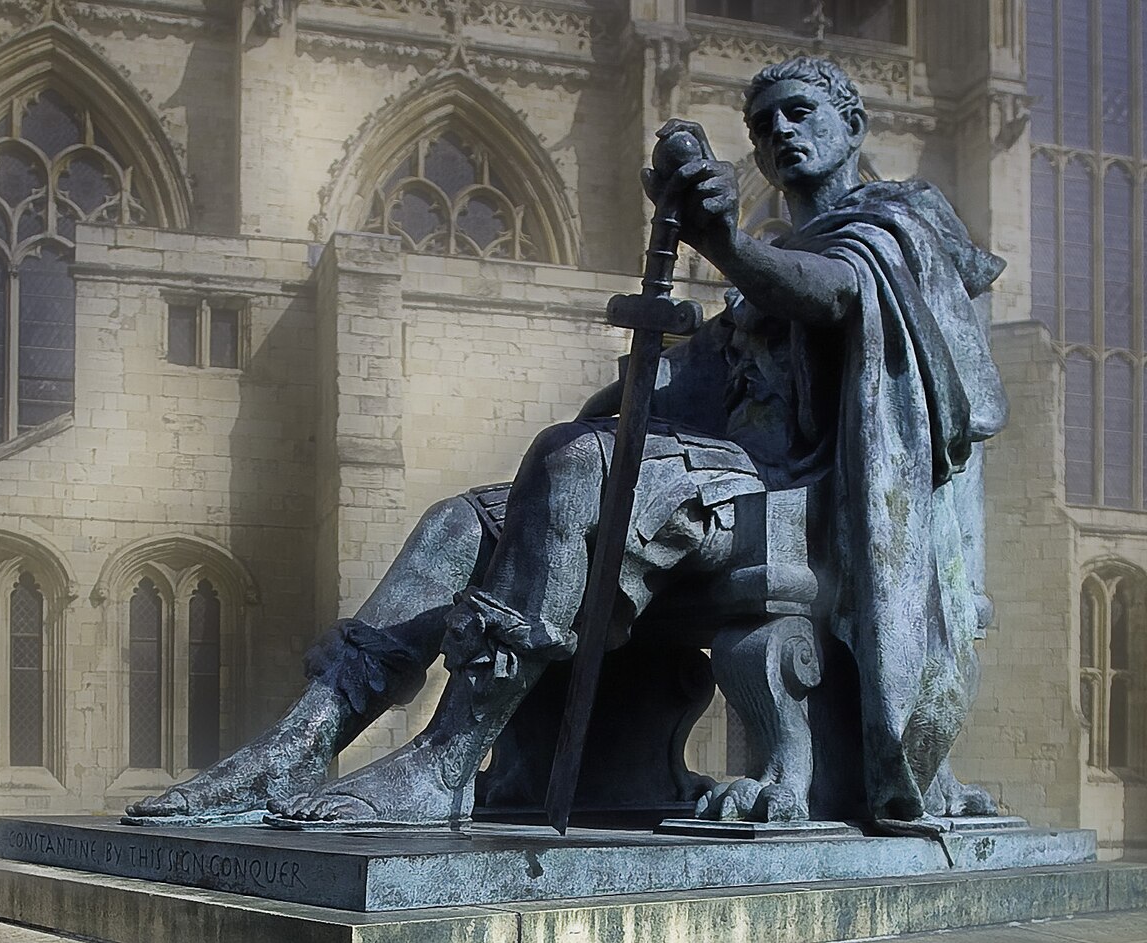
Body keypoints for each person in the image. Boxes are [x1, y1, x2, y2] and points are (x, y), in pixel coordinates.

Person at [127, 56, 1005, 829]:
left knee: (573, 460)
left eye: (800, 111)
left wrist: (729, 246)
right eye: (763, 121)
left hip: (808, 500)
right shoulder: (762, 270)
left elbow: (832, 293)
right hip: (729, 483)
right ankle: (294, 743)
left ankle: (442, 763)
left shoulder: (899, 225)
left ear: (852, 125)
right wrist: (644, 371)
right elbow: (688, 386)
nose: (779, 130)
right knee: (462, 522)